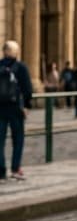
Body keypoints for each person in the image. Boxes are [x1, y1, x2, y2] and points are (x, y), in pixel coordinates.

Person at [0, 41, 34, 181]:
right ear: (13, 52)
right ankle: (15, 168)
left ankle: (1, 172)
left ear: (4, 51)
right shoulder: (21, 67)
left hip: (0, 109)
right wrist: (26, 106)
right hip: (16, 109)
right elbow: (27, 89)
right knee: (18, 139)